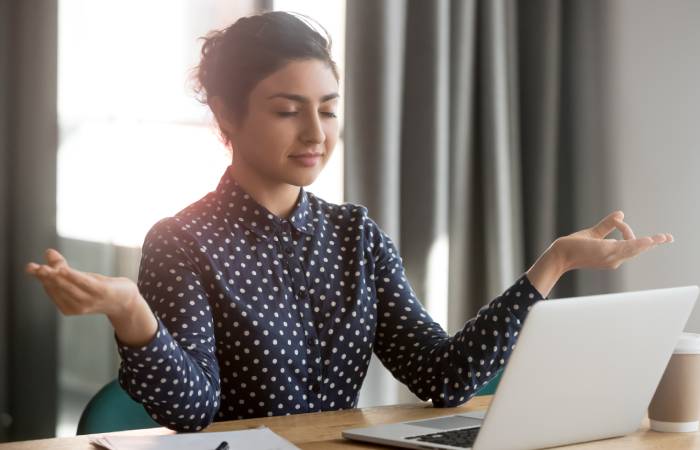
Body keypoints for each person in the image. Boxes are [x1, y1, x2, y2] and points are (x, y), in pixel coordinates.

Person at [26, 11, 673, 432]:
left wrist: (551, 265)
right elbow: (191, 412)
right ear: (225, 115)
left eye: (329, 109)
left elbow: (442, 377)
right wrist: (133, 314)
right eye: (288, 110)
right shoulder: (183, 240)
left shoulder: (353, 233)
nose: (316, 132)